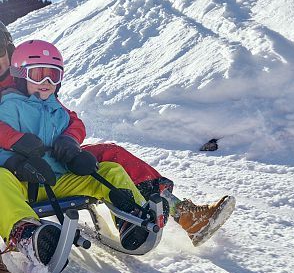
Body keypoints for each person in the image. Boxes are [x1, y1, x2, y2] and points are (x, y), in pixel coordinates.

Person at [0, 23, 235, 248]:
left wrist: (69, 140)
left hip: (44, 155)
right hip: (10, 162)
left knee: (110, 155)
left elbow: (68, 119)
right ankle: (21, 238)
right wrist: (14, 145)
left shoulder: (30, 76)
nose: (46, 80)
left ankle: (177, 213)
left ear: (10, 50)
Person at [0, 39, 157, 273]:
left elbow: (74, 126)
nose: (47, 83)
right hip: (22, 185)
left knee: (109, 169)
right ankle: (27, 234)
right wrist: (15, 163)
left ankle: (131, 216)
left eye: (53, 76)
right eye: (39, 75)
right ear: (20, 75)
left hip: (59, 180)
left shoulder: (56, 109)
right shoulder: (9, 107)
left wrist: (72, 149)